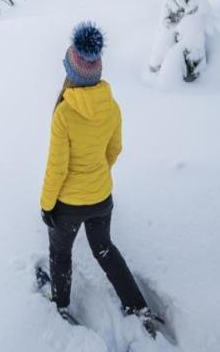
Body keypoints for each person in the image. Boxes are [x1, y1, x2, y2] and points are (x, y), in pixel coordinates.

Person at [39, 22, 156, 332]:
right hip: (102, 197)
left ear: (72, 72)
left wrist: (47, 205)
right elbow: (114, 149)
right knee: (104, 249)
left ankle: (61, 306)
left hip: (68, 204)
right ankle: (137, 305)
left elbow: (57, 167)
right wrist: (97, 173)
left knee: (61, 253)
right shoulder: (111, 105)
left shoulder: (64, 113)